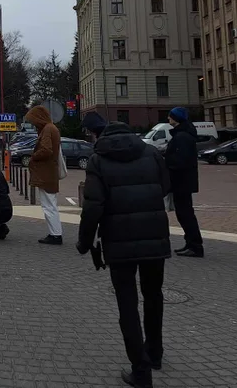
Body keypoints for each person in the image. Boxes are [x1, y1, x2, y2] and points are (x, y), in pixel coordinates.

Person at [78, 111, 171, 388]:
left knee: (127, 304)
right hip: (155, 236)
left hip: (118, 242)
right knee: (154, 296)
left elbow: (93, 206)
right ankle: (155, 352)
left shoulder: (98, 160)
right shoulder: (152, 154)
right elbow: (166, 186)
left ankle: (140, 370)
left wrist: (84, 243)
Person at [165, 107, 204, 258]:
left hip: (181, 181)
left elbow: (179, 160)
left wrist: (166, 162)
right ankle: (191, 243)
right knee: (185, 213)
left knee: (185, 214)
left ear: (176, 119)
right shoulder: (183, 135)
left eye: (171, 116)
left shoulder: (182, 137)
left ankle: (195, 245)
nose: (168, 118)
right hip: (183, 181)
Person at [24, 105, 63, 245]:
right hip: (49, 172)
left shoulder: (47, 129)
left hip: (46, 173)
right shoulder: (52, 128)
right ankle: (55, 233)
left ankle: (55, 234)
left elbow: (46, 150)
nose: (33, 124)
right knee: (50, 204)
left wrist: (34, 156)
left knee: (48, 205)